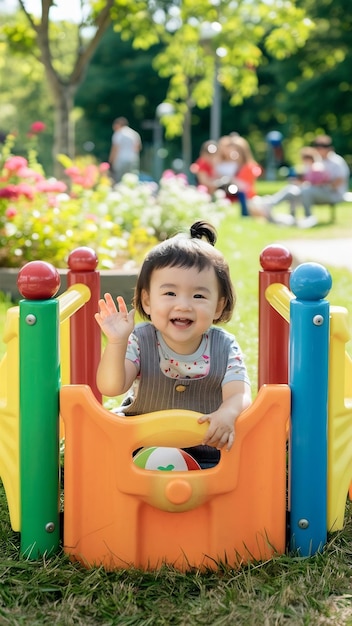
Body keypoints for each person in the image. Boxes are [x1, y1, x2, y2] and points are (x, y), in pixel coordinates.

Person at [95, 221, 252, 468]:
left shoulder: (224, 345)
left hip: (209, 453)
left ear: (218, 306)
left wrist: (228, 413)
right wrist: (117, 342)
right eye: (170, 293)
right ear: (147, 301)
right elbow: (111, 387)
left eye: (199, 296)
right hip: (139, 450)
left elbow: (239, 394)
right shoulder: (139, 339)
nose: (183, 305)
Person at [263, 135, 350, 228]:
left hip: (333, 193)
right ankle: (270, 205)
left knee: (306, 190)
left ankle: (308, 217)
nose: (319, 149)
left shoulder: (337, 162)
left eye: (322, 146)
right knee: (292, 189)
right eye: (317, 146)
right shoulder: (316, 161)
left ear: (329, 148)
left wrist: (319, 184)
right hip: (315, 190)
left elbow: (338, 183)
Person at [109, 116, 142, 183]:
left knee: (119, 180)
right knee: (132, 179)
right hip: (133, 159)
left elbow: (115, 149)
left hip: (120, 160)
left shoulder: (118, 133)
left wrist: (111, 161)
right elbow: (138, 148)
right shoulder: (134, 133)